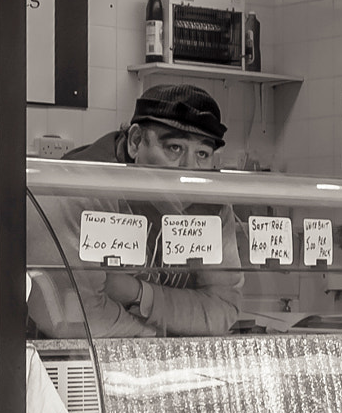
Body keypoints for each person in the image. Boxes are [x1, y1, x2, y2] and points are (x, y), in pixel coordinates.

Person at [27, 82, 244, 338]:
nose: (189, 169)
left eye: (203, 154)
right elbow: (75, 317)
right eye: (174, 148)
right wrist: (156, 338)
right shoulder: (79, 188)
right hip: (67, 365)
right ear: (135, 141)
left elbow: (222, 309)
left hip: (147, 360)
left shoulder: (211, 205)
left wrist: (138, 294)